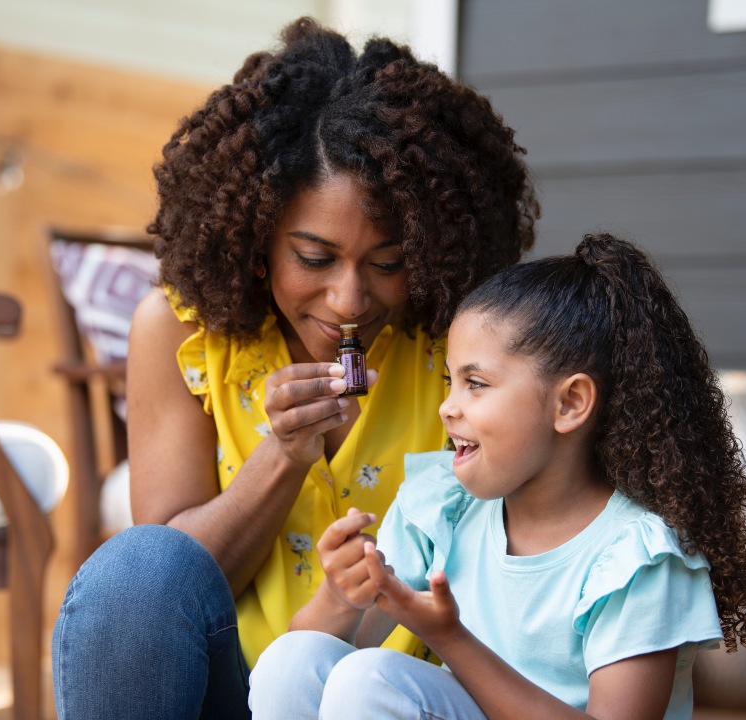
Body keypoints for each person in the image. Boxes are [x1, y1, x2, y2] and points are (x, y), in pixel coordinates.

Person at [50, 16, 538, 720]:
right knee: (135, 568)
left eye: (389, 263)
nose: (349, 300)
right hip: (231, 694)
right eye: (314, 258)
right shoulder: (181, 334)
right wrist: (280, 457)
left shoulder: (463, 335)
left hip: (402, 700)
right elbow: (167, 590)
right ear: (254, 239)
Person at [249, 233, 746, 720]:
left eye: (476, 383)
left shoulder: (636, 558)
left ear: (570, 403)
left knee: (373, 680)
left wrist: (452, 639)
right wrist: (341, 597)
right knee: (293, 657)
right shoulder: (442, 509)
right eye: (450, 382)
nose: (448, 408)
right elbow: (322, 663)